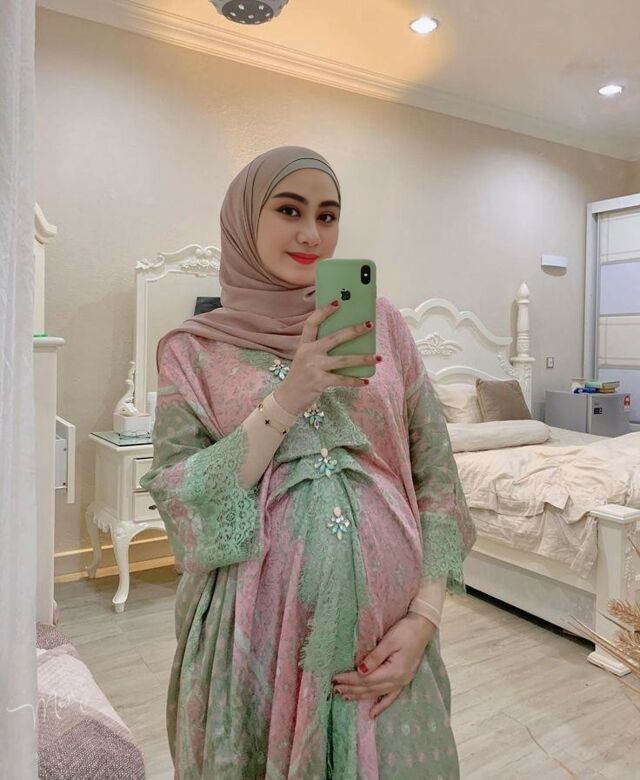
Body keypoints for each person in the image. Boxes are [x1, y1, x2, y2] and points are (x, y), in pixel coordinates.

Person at [141, 146, 476, 779]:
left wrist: (425, 619)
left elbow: (437, 474)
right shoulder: (193, 350)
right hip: (256, 646)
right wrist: (287, 398)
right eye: (289, 210)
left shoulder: (384, 325)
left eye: (327, 216)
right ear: (246, 219)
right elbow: (181, 497)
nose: (311, 234)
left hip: (392, 638)